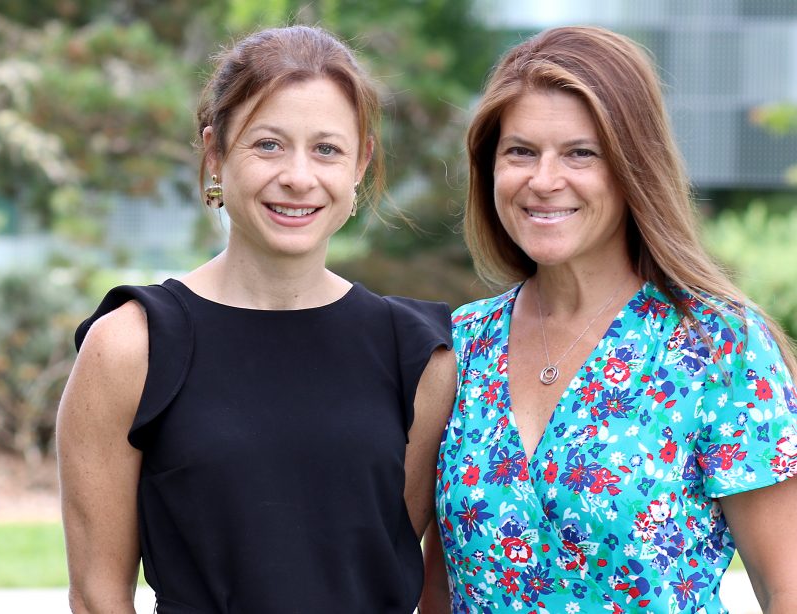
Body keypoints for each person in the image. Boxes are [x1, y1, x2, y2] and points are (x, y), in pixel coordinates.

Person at [56, 25, 456, 613]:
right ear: (215, 150)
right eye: (268, 144)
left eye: (327, 149)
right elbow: (97, 597)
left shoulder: (418, 357)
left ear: (361, 162)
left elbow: (421, 582)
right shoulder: (132, 346)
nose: (298, 176)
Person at [421, 25, 797, 614]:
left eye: (580, 153)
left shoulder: (720, 346)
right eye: (520, 151)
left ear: (632, 167)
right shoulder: (460, 346)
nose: (544, 181)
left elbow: (788, 589)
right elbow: (438, 591)